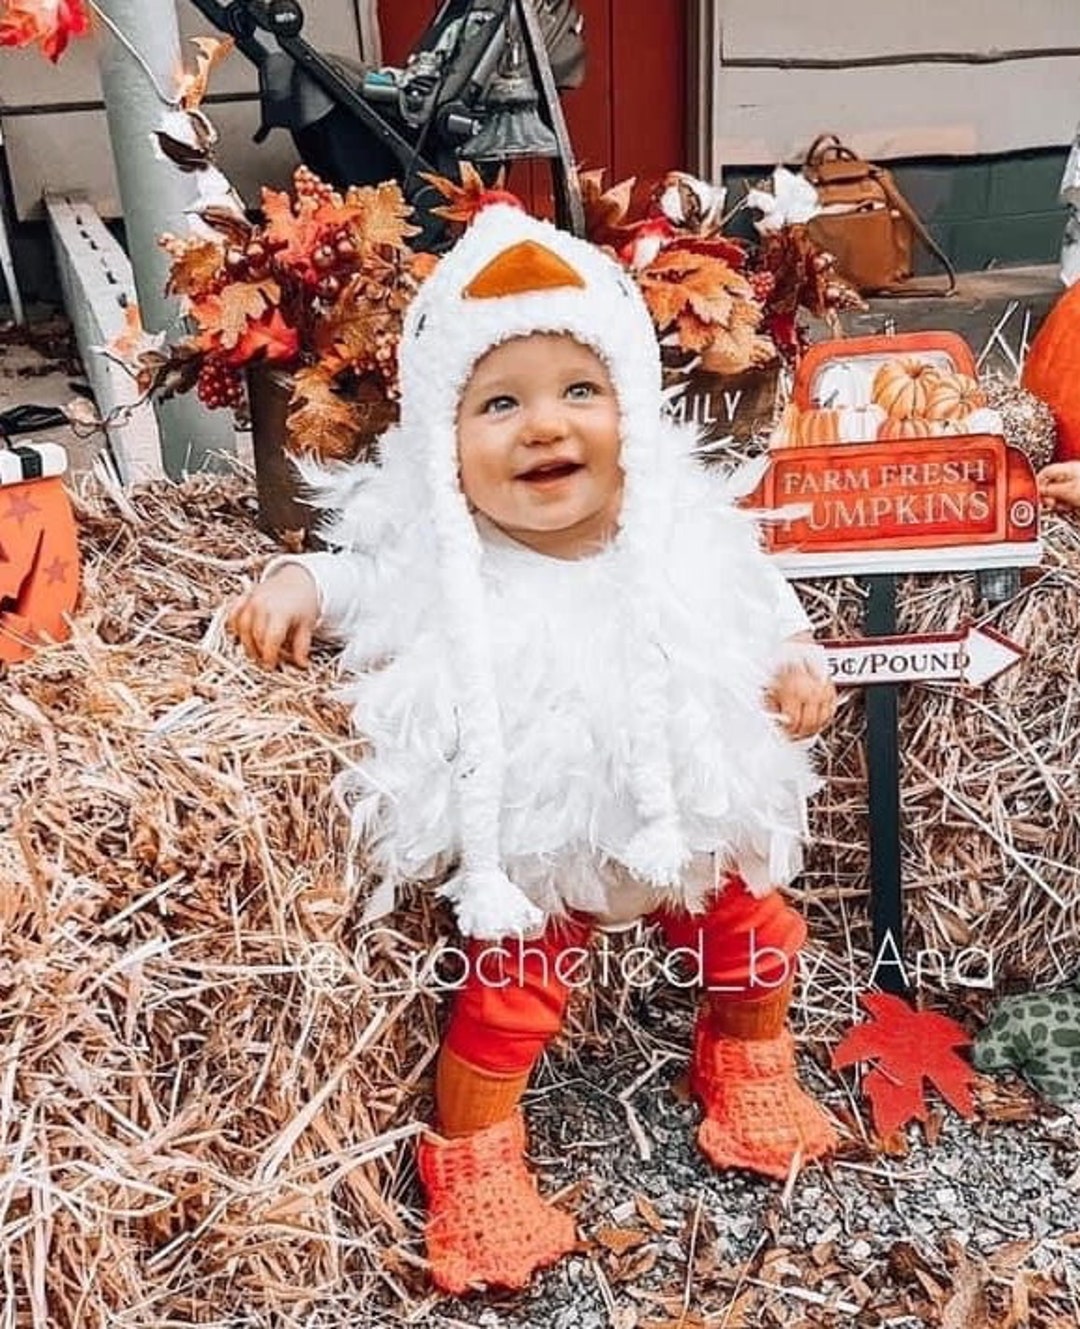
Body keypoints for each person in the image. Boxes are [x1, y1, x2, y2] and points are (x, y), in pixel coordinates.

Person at [227, 203, 839, 1295]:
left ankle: (745, 1057)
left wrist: (798, 659)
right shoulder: (448, 562)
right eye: (499, 403)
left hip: (689, 816)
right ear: (442, 450)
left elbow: (760, 595)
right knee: (506, 1004)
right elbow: (361, 587)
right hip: (541, 857)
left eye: (580, 392)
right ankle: (477, 1165)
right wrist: (296, 582)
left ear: (634, 415)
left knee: (756, 942)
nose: (545, 427)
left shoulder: (681, 532)